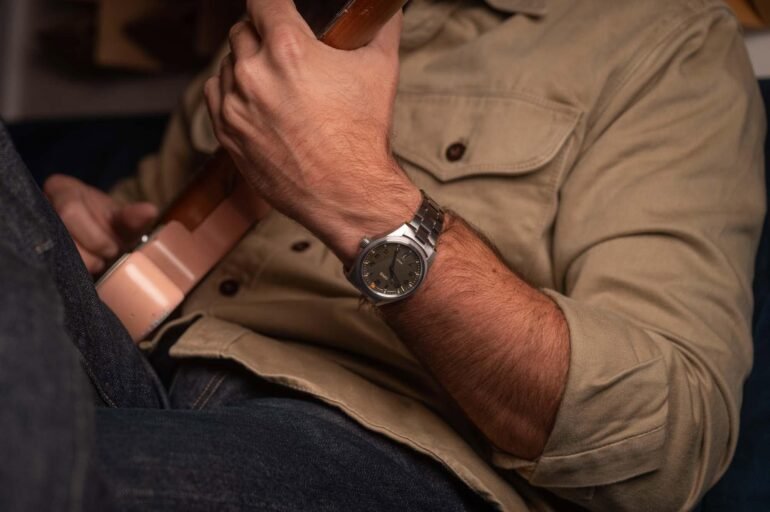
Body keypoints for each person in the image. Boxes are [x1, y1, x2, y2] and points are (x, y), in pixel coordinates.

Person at [2, 0, 765, 510]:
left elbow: (672, 443)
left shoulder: (666, 40)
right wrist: (74, 230)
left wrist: (357, 195)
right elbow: (143, 247)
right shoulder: (293, 20)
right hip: (139, 367)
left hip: (372, 446)